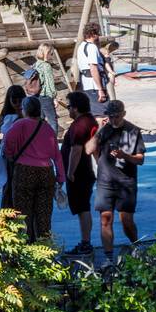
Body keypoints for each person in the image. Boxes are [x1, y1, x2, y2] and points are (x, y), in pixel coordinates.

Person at [3, 96, 65, 243]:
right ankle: (44, 246)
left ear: (25, 110)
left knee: (23, 212)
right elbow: (57, 155)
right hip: (46, 172)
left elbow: (8, 144)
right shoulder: (48, 128)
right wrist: (60, 177)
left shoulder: (20, 125)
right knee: (43, 213)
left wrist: (11, 157)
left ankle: (26, 247)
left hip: (24, 171)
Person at [89, 100, 145, 257]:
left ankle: (136, 246)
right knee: (105, 219)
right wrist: (99, 130)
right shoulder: (104, 130)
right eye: (111, 116)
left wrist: (125, 156)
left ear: (124, 114)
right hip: (105, 181)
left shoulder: (133, 131)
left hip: (126, 182)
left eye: (117, 116)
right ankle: (108, 258)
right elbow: (88, 149)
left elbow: (140, 159)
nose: (114, 120)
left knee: (126, 220)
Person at [60, 90, 98, 255]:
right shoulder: (89, 120)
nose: (68, 110)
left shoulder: (80, 124)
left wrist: (70, 172)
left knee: (82, 208)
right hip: (86, 171)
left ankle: (85, 243)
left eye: (69, 107)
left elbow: (76, 150)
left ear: (75, 108)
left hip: (80, 172)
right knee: (84, 207)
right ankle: (85, 242)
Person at [76, 23, 110, 115]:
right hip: (94, 85)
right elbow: (93, 68)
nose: (99, 35)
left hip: (87, 84)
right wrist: (100, 89)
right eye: (98, 33)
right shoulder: (91, 47)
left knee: (94, 112)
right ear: (93, 34)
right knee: (102, 114)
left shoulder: (81, 46)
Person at [27, 42, 59, 133]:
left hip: (36, 96)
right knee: (53, 120)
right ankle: (53, 143)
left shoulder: (35, 65)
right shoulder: (46, 66)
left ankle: (37, 140)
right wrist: (54, 98)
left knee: (39, 120)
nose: (51, 56)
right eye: (51, 53)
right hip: (46, 96)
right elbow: (49, 83)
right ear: (46, 53)